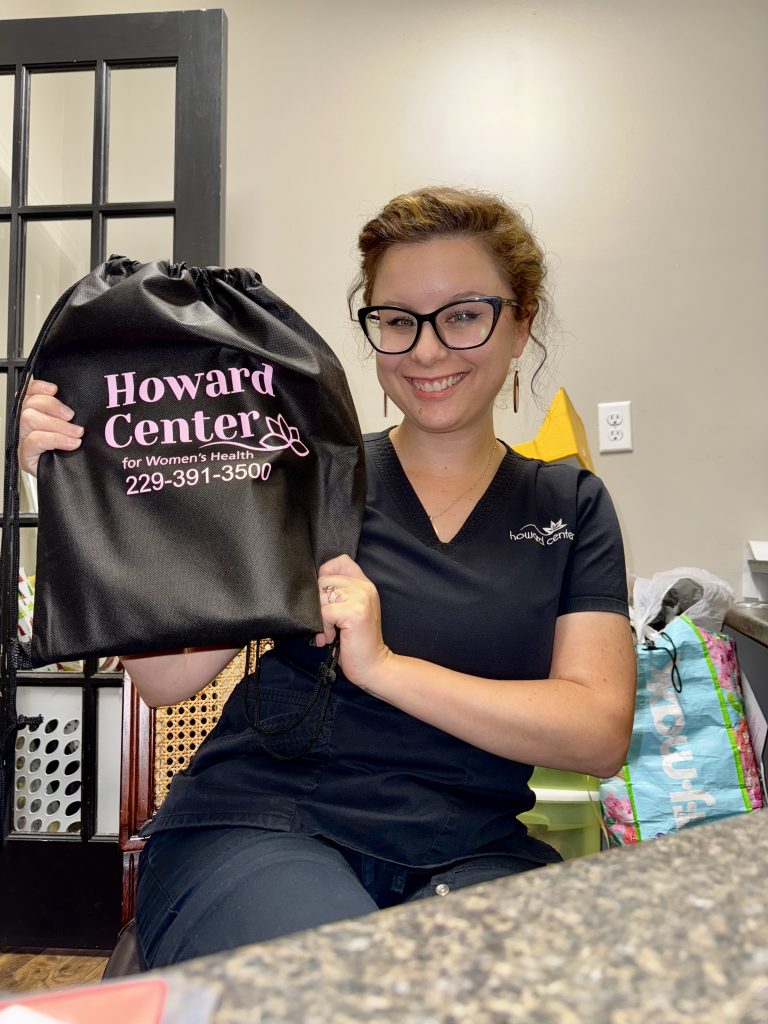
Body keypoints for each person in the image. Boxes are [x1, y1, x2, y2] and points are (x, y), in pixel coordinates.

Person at [19, 186, 636, 968]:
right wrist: (81, 489)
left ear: (521, 324)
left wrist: (385, 668)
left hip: (475, 846)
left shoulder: (570, 506)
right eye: (397, 320)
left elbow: (597, 732)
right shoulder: (305, 472)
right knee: (347, 985)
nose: (427, 350)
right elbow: (167, 679)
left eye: (463, 315)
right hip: (264, 828)